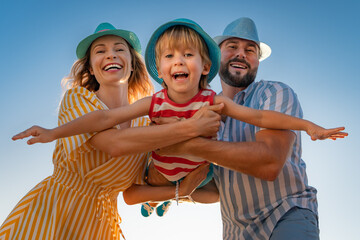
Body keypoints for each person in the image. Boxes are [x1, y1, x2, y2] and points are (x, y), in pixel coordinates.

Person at [12, 18, 347, 222]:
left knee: (213, 183)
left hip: (197, 174)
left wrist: (307, 126)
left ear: (204, 67)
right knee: (157, 174)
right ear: (160, 71)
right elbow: (105, 118)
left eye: (188, 55)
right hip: (157, 173)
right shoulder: (152, 104)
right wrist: (54, 131)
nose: (179, 61)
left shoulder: (212, 102)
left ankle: (170, 201)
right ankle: (164, 201)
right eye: (170, 56)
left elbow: (258, 115)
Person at [0, 22, 222, 240]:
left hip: (101, 229)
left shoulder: (145, 125)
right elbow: (114, 144)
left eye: (119, 49)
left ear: (133, 64)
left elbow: (133, 193)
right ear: (90, 68)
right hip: (52, 215)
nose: (110, 55)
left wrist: (180, 192)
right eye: (100, 51)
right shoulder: (78, 100)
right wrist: (191, 126)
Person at [152, 17, 349, 239]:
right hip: (236, 232)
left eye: (250, 50)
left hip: (286, 216)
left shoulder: (274, 93)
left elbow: (269, 163)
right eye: (232, 47)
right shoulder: (203, 110)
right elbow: (218, 186)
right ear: (216, 57)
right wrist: (173, 191)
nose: (241, 54)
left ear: (257, 61)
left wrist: (186, 145)